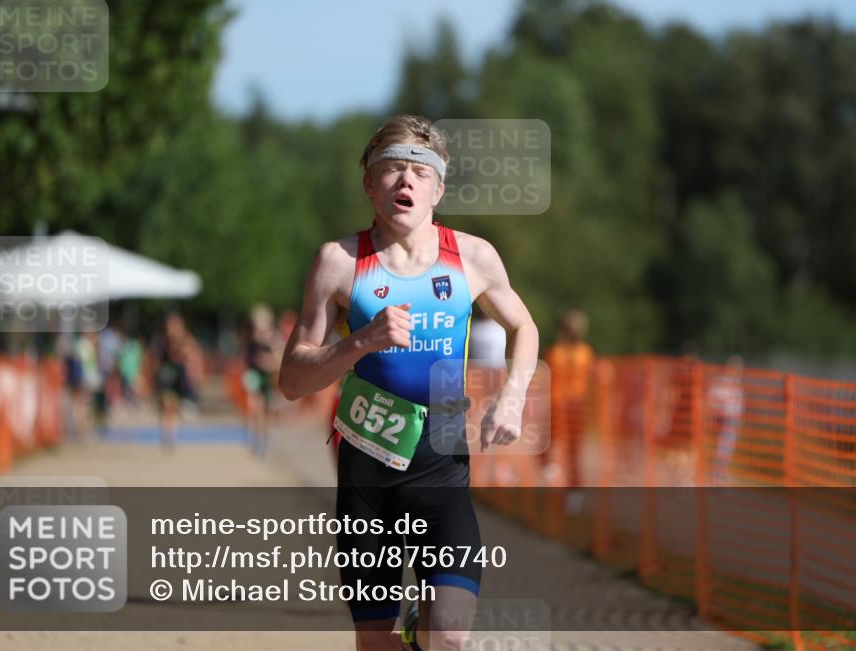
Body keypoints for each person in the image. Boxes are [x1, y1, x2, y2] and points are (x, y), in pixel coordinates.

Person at [278, 114, 539, 651]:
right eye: (391, 170)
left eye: (418, 174)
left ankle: (425, 628)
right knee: (376, 643)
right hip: (366, 474)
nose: (405, 182)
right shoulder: (339, 262)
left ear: (438, 189)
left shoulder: (472, 256)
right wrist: (358, 342)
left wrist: (512, 399)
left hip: (442, 467)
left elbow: (524, 326)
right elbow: (291, 380)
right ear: (369, 184)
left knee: (449, 636)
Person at [541, 309, 595, 489]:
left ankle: (550, 474)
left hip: (557, 405)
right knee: (573, 451)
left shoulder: (555, 353)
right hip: (574, 406)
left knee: (548, 445)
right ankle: (573, 488)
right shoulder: (586, 353)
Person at [151, 312, 203, 451]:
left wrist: (195, 375)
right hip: (166, 376)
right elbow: (154, 361)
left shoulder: (186, 340)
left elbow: (194, 357)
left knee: (173, 408)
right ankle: (166, 435)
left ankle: (171, 435)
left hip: (179, 377)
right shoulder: (161, 341)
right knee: (167, 406)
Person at [242, 303, 283, 457]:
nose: (257, 330)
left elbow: (279, 362)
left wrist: (268, 359)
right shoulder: (251, 341)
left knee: (266, 414)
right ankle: (255, 439)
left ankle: (264, 442)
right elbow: (246, 359)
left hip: (269, 379)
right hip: (255, 378)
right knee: (255, 408)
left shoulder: (274, 340)